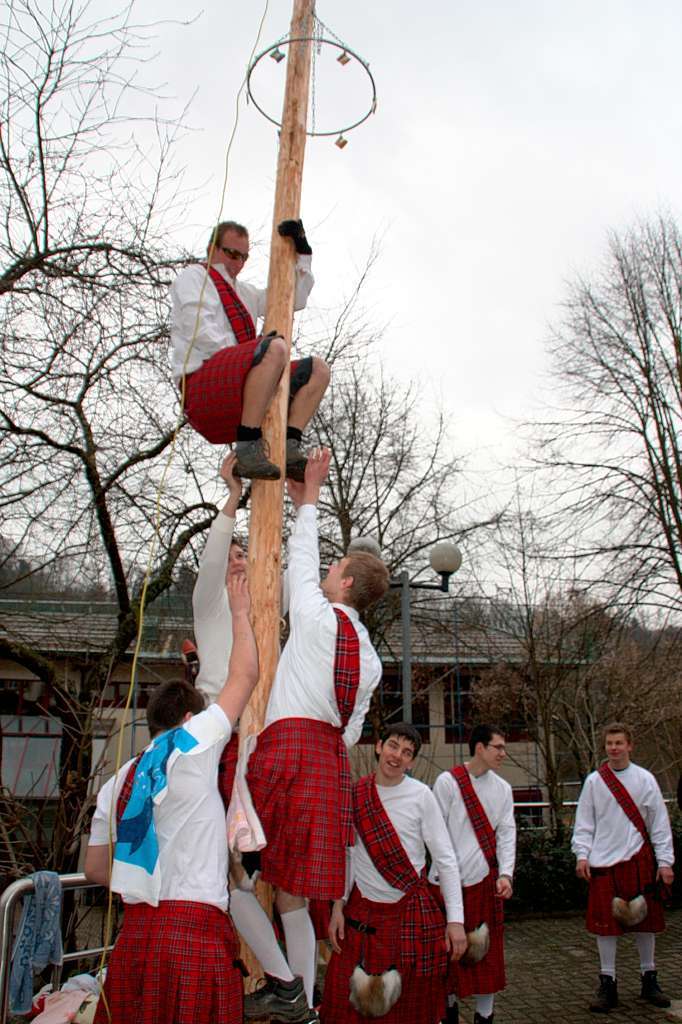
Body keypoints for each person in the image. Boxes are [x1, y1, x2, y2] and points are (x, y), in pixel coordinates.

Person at [245, 447, 390, 1016]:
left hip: (287, 752)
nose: (326, 570)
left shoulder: (313, 614)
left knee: (236, 869)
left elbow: (300, 562)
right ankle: (303, 1004)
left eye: (336, 568)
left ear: (346, 581)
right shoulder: (373, 660)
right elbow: (352, 730)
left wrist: (308, 500)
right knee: (293, 893)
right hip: (331, 764)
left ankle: (283, 983)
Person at [84, 575, 258, 1024]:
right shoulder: (193, 741)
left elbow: (95, 870)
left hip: (138, 933)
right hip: (193, 930)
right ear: (187, 717)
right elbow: (245, 676)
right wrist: (240, 612)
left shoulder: (116, 780)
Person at [190, 452, 312, 1023]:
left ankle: (300, 1000)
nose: (240, 559)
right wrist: (233, 500)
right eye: (235, 553)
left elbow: (292, 580)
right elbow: (218, 555)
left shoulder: (266, 597)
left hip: (272, 742)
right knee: (232, 869)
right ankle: (285, 983)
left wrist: (296, 502)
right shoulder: (210, 602)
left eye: (246, 552)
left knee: (288, 878)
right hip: (223, 736)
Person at [320, 722, 466, 1024]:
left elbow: (446, 859)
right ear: (378, 746)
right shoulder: (356, 793)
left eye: (407, 752)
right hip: (361, 914)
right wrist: (338, 904)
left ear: (412, 762)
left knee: (410, 1013)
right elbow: (349, 855)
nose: (397, 755)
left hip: (408, 916)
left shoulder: (421, 796)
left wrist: (456, 921)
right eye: (393, 746)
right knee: (342, 1006)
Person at [170, 218, 329, 480]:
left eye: (244, 257)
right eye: (231, 254)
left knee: (318, 370)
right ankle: (248, 446)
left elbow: (293, 299)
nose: (238, 263)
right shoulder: (194, 276)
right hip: (203, 385)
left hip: (242, 387)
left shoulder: (246, 293)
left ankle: (288, 447)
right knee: (275, 348)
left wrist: (303, 254)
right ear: (212, 248)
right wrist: (255, 355)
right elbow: (198, 329)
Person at [572, 722, 675, 1014]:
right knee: (606, 929)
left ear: (630, 746)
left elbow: (659, 823)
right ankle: (608, 982)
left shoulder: (645, 780)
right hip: (604, 861)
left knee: (647, 925)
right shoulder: (594, 781)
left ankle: (649, 978)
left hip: (639, 858)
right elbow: (584, 823)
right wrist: (582, 855)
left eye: (619, 743)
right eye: (609, 743)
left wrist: (665, 861)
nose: (614, 748)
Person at [432, 724, 516, 1024]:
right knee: (445, 956)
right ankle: (448, 1011)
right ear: (480, 748)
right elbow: (435, 831)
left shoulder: (503, 789)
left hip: (484, 883)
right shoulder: (447, 782)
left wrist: (505, 873)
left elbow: (507, 833)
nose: (503, 754)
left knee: (486, 959)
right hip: (444, 882)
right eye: (498, 747)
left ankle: (485, 1016)